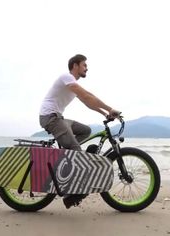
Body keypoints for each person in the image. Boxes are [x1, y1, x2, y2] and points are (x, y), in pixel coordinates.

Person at [39, 54, 120, 208]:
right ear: (75, 66)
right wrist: (110, 108)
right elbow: (87, 95)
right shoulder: (66, 77)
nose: (86, 68)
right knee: (76, 149)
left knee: (86, 131)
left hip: (58, 118)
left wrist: (105, 114)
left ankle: (67, 154)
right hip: (50, 117)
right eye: (84, 65)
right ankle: (70, 193)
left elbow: (87, 102)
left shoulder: (72, 84)